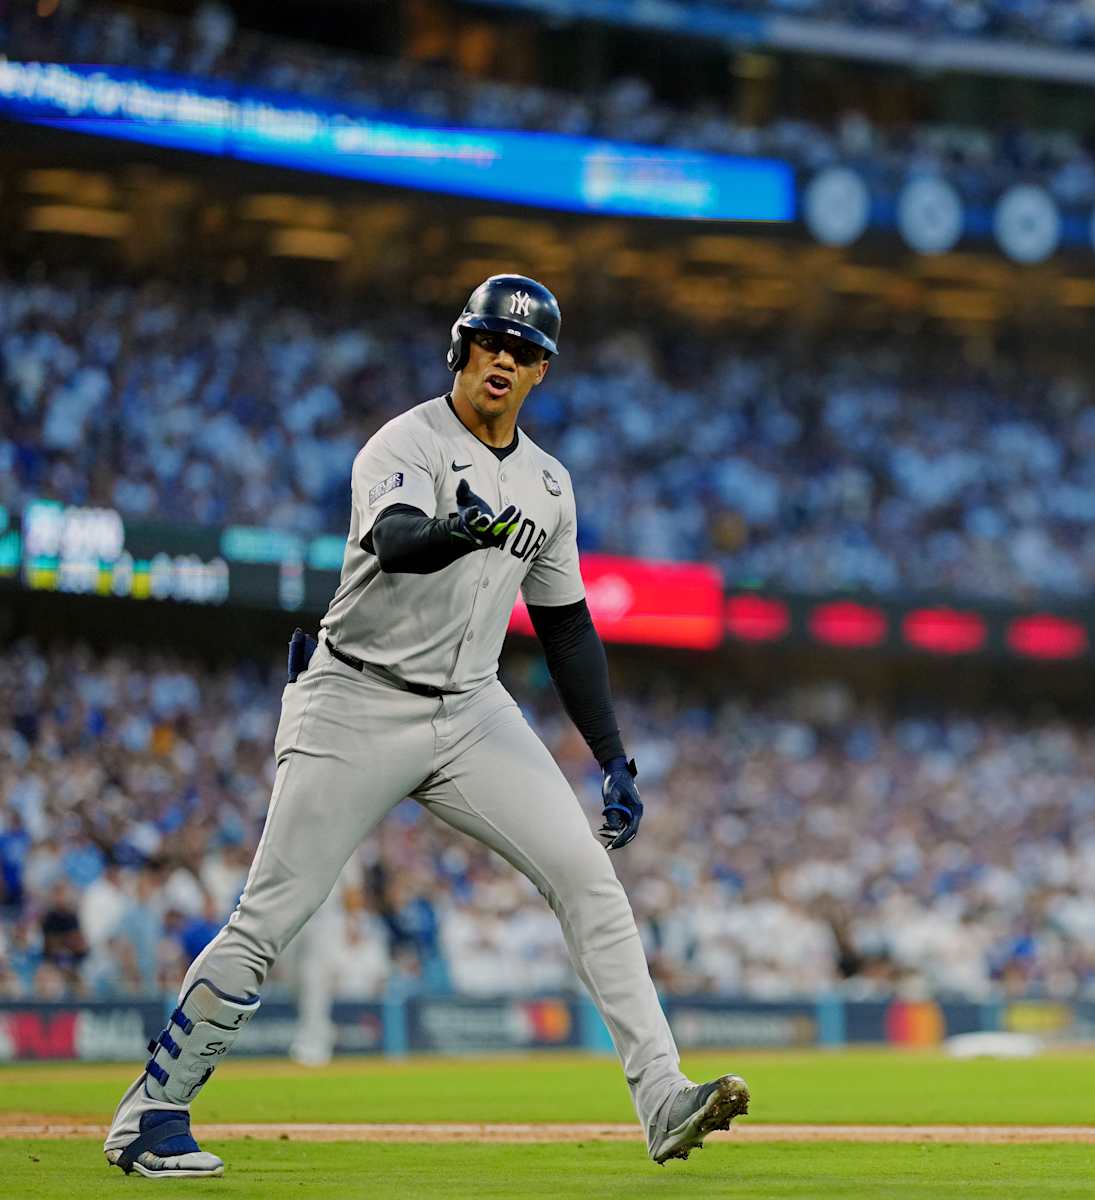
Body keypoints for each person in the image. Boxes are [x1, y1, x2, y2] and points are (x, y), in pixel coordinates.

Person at [102, 275, 748, 1179]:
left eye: (523, 353)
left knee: (588, 879)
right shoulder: (404, 442)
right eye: (491, 343)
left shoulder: (549, 484)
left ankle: (662, 1097)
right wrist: (461, 527)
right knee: (273, 913)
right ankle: (150, 1114)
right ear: (461, 347)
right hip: (356, 696)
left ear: (541, 375)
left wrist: (613, 758)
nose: (504, 361)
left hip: (471, 706)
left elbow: (564, 624)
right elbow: (400, 541)